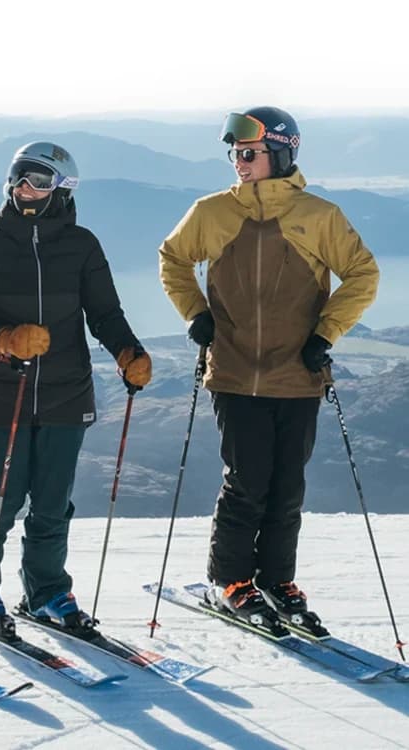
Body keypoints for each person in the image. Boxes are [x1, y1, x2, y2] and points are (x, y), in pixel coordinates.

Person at [159, 106, 379, 621]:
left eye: (250, 153)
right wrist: (197, 314)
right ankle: (231, 580)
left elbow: (362, 274)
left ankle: (277, 579)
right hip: (234, 372)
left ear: (281, 153)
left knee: (287, 487)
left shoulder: (318, 216)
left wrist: (326, 334)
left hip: (297, 374)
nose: (239, 162)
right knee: (247, 480)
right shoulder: (212, 212)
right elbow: (173, 258)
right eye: (236, 153)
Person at [0, 141, 152, 632]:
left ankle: (47, 593)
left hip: (66, 392)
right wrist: (2, 340)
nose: (25, 189)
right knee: (1, 497)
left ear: (61, 188)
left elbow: (104, 313)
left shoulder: (81, 245)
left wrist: (128, 351)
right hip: (2, 391)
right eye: (19, 178)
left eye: (38, 181)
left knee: (53, 501)